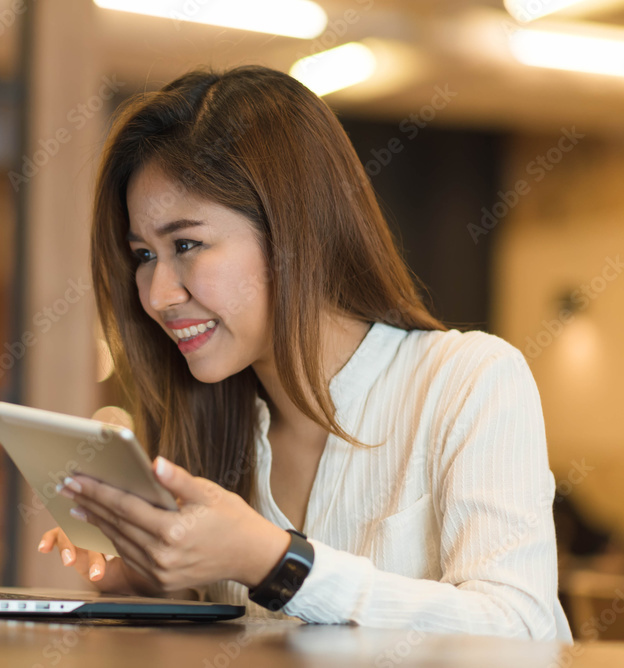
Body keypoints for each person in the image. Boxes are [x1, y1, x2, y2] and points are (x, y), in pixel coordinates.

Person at [37, 65, 572, 641]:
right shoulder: (211, 425)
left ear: (296, 229)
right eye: (143, 255)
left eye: (186, 244)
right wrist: (154, 585)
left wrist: (276, 563)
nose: (158, 295)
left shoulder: (469, 381)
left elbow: (521, 631)